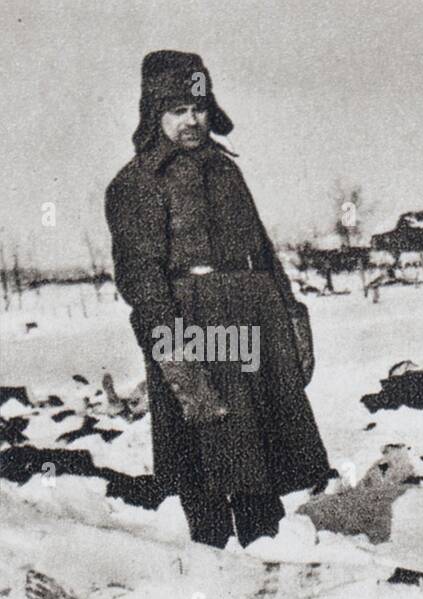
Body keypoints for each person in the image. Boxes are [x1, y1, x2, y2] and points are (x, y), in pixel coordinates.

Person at [105, 51, 330, 548]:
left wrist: (292, 320)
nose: (191, 121)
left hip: (255, 317)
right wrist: (174, 356)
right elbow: (141, 279)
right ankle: (211, 572)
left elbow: (263, 252)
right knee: (207, 457)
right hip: (193, 324)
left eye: (199, 108)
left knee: (259, 459)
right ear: (154, 114)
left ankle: (267, 556)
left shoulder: (225, 172)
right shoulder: (137, 183)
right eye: (177, 110)